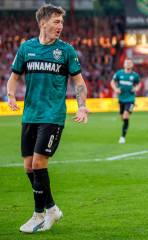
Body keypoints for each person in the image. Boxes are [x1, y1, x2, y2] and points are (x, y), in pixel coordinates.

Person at [6, 4, 88, 233]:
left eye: (61, 22)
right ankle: (51, 208)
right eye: (56, 21)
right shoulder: (26, 48)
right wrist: (10, 94)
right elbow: (13, 77)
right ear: (43, 22)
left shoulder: (66, 51)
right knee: (28, 167)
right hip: (30, 115)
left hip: (52, 116)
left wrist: (82, 106)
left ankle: (38, 214)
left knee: (38, 163)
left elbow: (79, 82)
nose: (60, 26)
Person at [110, 59, 140, 144]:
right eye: (126, 63)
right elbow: (112, 82)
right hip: (121, 99)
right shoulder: (119, 74)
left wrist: (136, 88)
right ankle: (125, 124)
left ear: (132, 65)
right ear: (124, 64)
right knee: (122, 117)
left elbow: (138, 84)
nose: (128, 64)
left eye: (129, 63)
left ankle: (122, 137)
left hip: (130, 99)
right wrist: (115, 89)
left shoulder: (135, 76)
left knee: (126, 116)